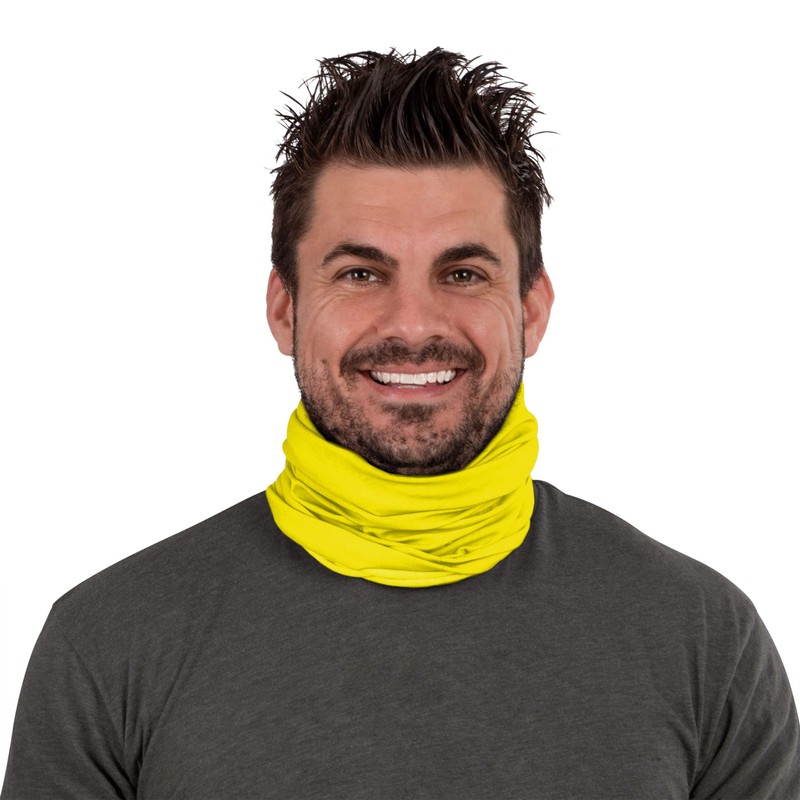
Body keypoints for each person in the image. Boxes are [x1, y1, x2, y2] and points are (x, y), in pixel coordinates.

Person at [2, 47, 798, 799]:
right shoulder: (108, 644)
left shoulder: (705, 640)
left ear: (531, 310)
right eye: (360, 273)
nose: (413, 324)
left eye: (463, 273)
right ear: (284, 310)